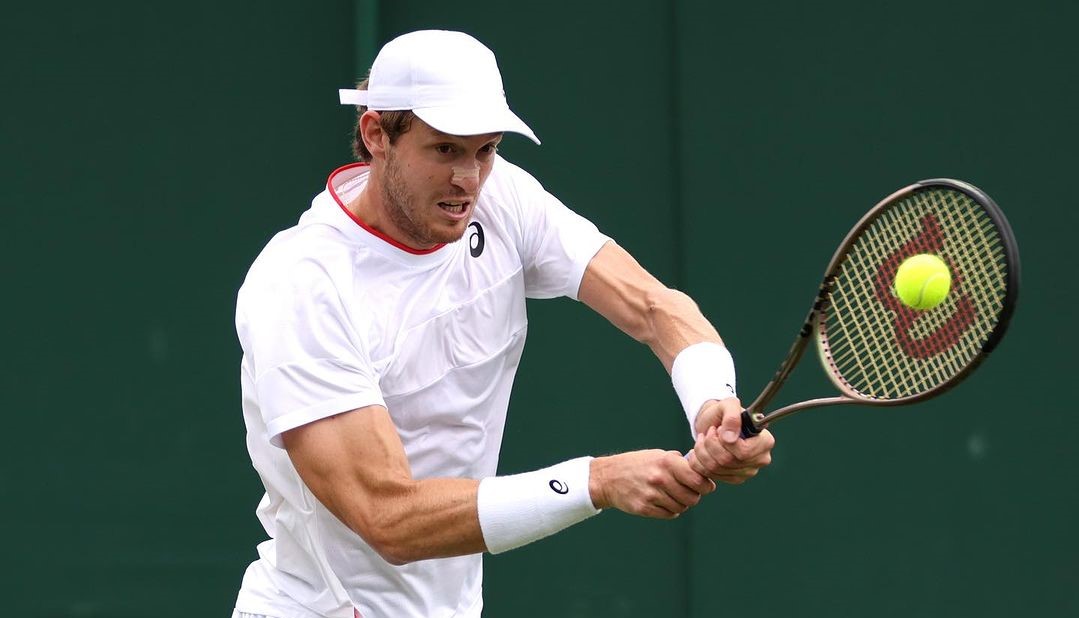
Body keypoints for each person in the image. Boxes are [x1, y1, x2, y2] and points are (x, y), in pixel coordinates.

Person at [232, 29, 775, 618]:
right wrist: (595, 481)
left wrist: (712, 401)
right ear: (376, 134)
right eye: (445, 150)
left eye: (485, 149)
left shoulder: (502, 198)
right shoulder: (303, 283)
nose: (468, 179)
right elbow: (388, 516)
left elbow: (653, 306)